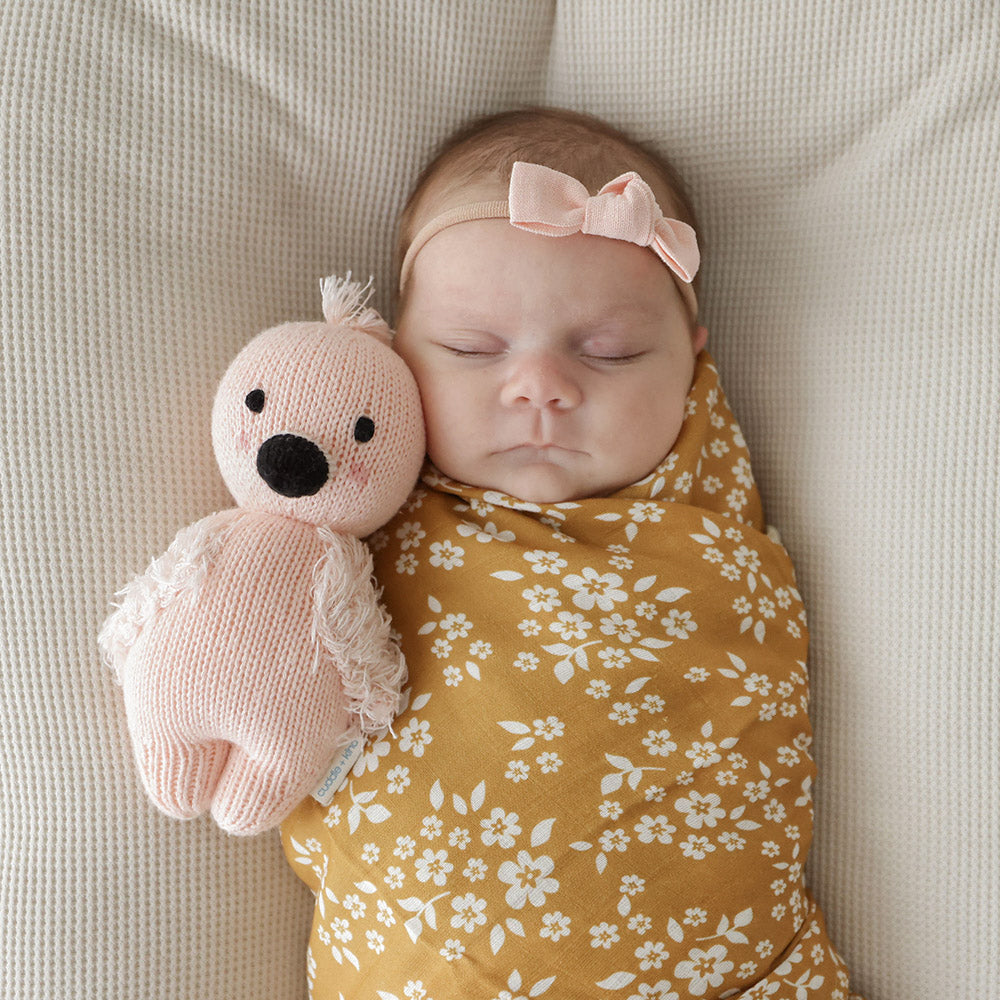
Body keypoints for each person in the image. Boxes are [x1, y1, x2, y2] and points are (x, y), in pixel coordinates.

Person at [283, 107, 862, 1000]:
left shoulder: (707, 514)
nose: (542, 387)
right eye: (474, 349)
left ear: (692, 367)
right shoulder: (369, 505)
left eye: (612, 351)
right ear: (396, 356)